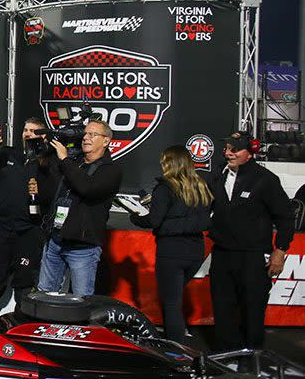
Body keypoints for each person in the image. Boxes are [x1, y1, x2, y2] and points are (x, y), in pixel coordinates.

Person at [208, 132, 294, 351]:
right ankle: (226, 356)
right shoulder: (218, 175)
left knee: (253, 309)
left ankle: (253, 357)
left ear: (250, 153)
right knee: (222, 307)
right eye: (226, 148)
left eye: (234, 149)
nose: (228, 153)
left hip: (253, 255)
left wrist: (280, 250)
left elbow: (285, 217)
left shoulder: (265, 179)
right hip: (222, 253)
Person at [130, 146, 212, 343]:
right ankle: (174, 341)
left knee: (171, 302)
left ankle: (175, 351)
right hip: (195, 252)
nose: (161, 164)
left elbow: (155, 220)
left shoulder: (165, 187)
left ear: (169, 163)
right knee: (174, 299)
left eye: (164, 161)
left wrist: (136, 218)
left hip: (172, 252)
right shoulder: (201, 186)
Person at [0, 117, 52, 313]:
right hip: (2, 225)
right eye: (26, 130)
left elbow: (54, 190)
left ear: (44, 136)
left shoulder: (49, 159)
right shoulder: (8, 153)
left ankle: (21, 325)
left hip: (30, 227)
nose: (28, 134)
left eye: (34, 131)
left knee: (25, 281)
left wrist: (43, 160)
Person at [37, 119, 122, 296]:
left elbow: (87, 188)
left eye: (93, 134)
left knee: (81, 299)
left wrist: (65, 159)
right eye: (85, 134)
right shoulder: (76, 162)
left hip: (82, 248)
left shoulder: (111, 170)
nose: (86, 138)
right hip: (56, 241)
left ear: (105, 141)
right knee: (44, 294)